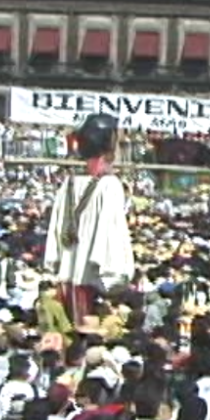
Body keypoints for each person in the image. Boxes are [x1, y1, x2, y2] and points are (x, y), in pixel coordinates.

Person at [43, 114, 135, 326]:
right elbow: (112, 233)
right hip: (93, 275)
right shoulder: (110, 185)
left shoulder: (69, 182)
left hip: (68, 271)